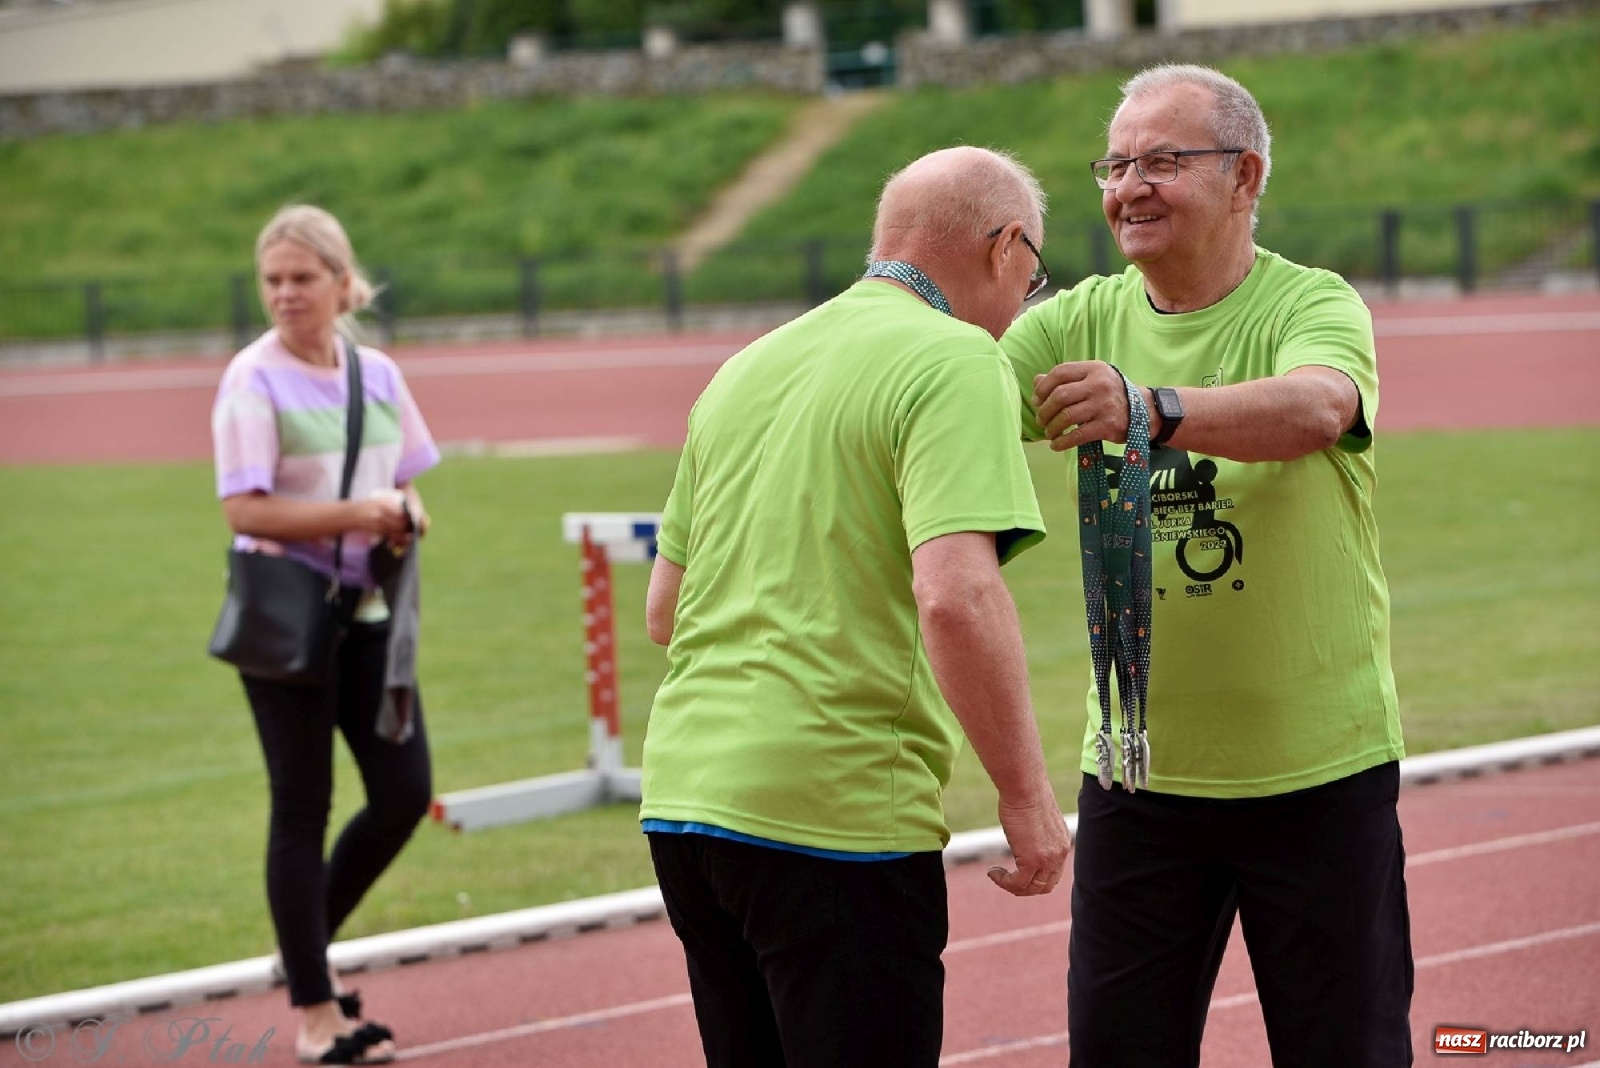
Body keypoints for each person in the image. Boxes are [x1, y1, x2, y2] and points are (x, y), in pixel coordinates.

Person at [1001, 64, 1411, 1067]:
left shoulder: (1311, 303)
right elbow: (949, 410)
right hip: (1140, 777)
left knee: (1345, 1049)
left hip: (1318, 770)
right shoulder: (1067, 326)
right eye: (1115, 164)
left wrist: (1148, 409)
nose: (1127, 187)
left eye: (1162, 161)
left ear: (1244, 176)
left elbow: (1318, 408)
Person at [639, 145, 1073, 1067]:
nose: (1024, 303)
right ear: (1006, 249)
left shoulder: (747, 367)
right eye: (1034, 277)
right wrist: (1027, 795)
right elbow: (956, 593)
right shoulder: (955, 358)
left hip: (685, 799)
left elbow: (664, 611)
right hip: (833, 812)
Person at [211, 205, 439, 1065]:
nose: (284, 294)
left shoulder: (376, 373)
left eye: (302, 278)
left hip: (370, 617)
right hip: (287, 623)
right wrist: (362, 512)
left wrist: (405, 517)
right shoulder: (252, 379)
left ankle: (301, 946)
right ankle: (315, 1014)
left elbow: (410, 484)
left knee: (403, 793)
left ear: (344, 285)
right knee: (301, 809)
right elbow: (244, 506)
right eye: (272, 279)